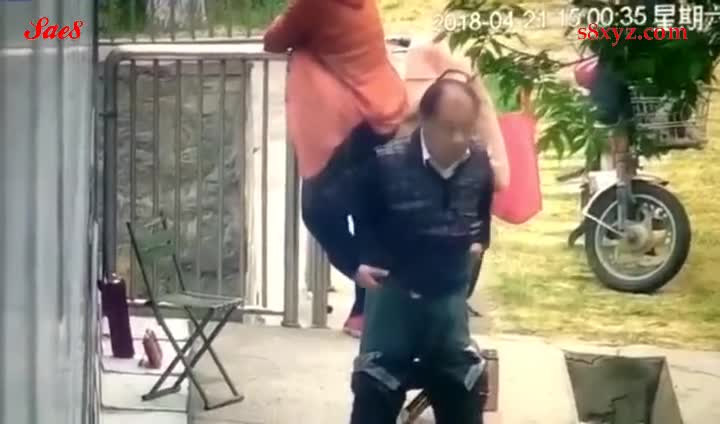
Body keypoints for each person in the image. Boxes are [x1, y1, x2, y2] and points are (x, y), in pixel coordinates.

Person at [348, 77, 493, 424]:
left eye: (466, 129)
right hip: (394, 297)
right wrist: (358, 263)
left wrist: (474, 247)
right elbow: (358, 219)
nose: (458, 139)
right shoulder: (385, 164)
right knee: (374, 385)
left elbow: (481, 221)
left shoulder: (479, 163)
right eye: (448, 128)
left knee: (466, 382)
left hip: (448, 300)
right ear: (425, 120)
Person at [263, 0, 408, 337]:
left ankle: (366, 284)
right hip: (380, 108)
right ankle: (368, 312)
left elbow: (274, 40)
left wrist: (301, 43)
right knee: (369, 213)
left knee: (318, 209)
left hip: (351, 120)